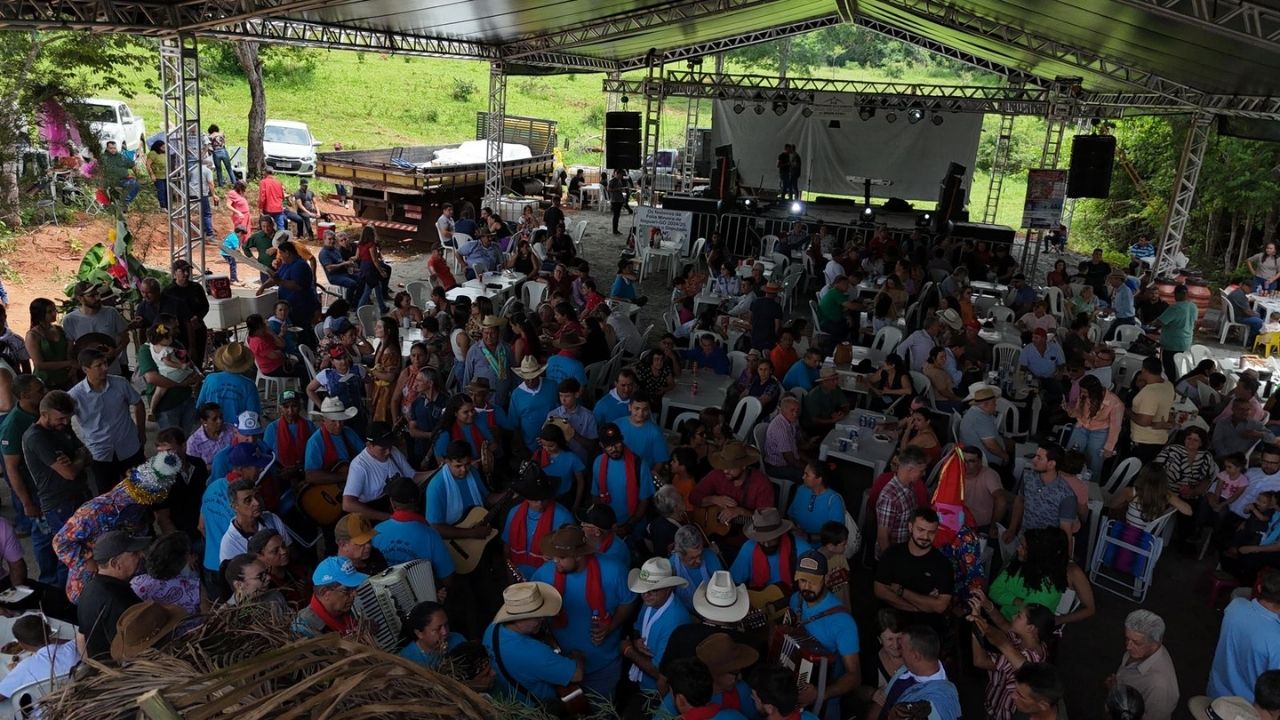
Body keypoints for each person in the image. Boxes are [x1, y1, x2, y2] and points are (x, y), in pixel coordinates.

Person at [530, 525, 637, 698]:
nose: (555, 561)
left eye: (562, 557)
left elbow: (628, 601)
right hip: (563, 666)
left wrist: (611, 626)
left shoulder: (614, 571)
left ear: (579, 555)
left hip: (604, 665)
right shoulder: (543, 575)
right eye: (554, 556)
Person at [22, 389, 92, 587]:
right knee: (69, 558)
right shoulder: (36, 437)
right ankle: (64, 602)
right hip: (60, 505)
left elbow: (87, 454)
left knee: (86, 550)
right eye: (60, 418)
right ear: (44, 414)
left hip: (78, 495)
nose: (66, 423)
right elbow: (69, 473)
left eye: (68, 418)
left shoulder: (62, 428)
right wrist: (78, 461)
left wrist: (75, 460)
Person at [483, 581, 585, 707]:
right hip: (539, 710)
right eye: (536, 616)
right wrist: (578, 656)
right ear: (518, 619)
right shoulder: (534, 653)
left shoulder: (492, 629)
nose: (543, 619)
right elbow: (576, 675)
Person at [786, 550, 863, 706]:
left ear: (826, 578)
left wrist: (820, 694)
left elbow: (854, 676)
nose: (806, 587)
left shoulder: (843, 622)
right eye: (802, 580)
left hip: (825, 688)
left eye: (813, 581)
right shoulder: (796, 599)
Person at [966, 596, 1052, 720]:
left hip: (1001, 713)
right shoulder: (1036, 644)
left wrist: (977, 625)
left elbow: (980, 661)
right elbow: (1003, 624)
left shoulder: (1025, 658)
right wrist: (987, 604)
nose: (1013, 616)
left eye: (1019, 616)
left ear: (1031, 628)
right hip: (997, 702)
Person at [873, 508, 954, 635]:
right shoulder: (892, 554)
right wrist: (919, 606)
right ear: (910, 527)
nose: (925, 537)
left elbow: (940, 606)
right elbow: (880, 590)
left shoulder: (943, 564)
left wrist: (901, 591)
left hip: (924, 631)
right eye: (921, 530)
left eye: (931, 532)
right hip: (891, 624)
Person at [1208, 571, 1280, 701]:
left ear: (1259, 588)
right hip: (1246, 708)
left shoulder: (1235, 606)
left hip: (1214, 692)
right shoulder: (1276, 640)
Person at [76, 530, 148, 659]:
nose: (141, 555)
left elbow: (82, 637)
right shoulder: (118, 599)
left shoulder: (90, 588)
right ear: (115, 564)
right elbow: (133, 651)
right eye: (135, 554)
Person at [622, 557, 690, 692]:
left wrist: (629, 651)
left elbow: (659, 672)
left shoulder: (675, 620)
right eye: (643, 589)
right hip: (643, 681)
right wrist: (636, 639)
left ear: (669, 589)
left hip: (658, 692)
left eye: (653, 589)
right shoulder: (652, 601)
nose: (646, 594)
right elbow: (637, 626)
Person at [868, 625, 961, 720]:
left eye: (901, 648)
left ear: (916, 656)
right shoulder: (905, 670)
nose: (897, 649)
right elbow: (881, 704)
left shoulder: (936, 704)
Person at [1100, 610, 1178, 720]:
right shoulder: (1141, 651)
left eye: (1137, 643)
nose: (1128, 647)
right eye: (1127, 639)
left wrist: (1115, 696)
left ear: (1156, 643)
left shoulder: (1159, 688)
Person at [373, 476, 455, 579]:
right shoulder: (431, 535)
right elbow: (447, 577)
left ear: (392, 503)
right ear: (418, 501)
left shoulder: (376, 531)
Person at [1003, 443, 1079, 545]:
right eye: (1035, 456)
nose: (1033, 460)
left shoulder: (1066, 495)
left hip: (1045, 547)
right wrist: (1012, 529)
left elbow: (1065, 532)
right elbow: (1020, 501)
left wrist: (1068, 559)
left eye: (1039, 458)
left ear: (1051, 464)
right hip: (1023, 540)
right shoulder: (1028, 477)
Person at [591, 423, 655, 537]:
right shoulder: (598, 462)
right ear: (601, 445)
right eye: (609, 445)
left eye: (617, 443)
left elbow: (644, 501)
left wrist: (629, 526)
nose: (614, 448)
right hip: (607, 526)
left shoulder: (640, 465)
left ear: (622, 439)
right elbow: (596, 495)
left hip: (632, 526)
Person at [0, 614, 79, 700]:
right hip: (83, 695)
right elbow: (75, 641)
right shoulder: (75, 646)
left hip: (48, 709)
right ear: (49, 630)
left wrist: (15, 672)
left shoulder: (25, 667)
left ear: (21, 643)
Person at [62, 281, 130, 376]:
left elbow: (125, 338)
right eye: (91, 296)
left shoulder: (111, 313)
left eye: (97, 294)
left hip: (112, 371)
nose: (97, 298)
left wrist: (115, 352)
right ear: (80, 298)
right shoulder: (70, 320)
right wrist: (75, 366)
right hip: (87, 374)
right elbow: (70, 349)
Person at [292, 556, 367, 637]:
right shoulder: (303, 628)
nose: (355, 594)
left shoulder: (347, 608)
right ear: (324, 592)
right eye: (347, 590)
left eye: (355, 588)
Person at [875, 447, 928, 557]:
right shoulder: (890, 497)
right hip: (893, 557)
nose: (924, 474)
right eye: (921, 470)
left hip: (904, 551)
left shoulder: (909, 486)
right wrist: (891, 564)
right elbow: (883, 536)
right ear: (910, 469)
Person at [1129, 356, 1175, 463]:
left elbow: (1144, 421)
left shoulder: (1150, 392)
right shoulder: (1168, 385)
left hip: (1143, 440)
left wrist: (1128, 412)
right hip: (1159, 439)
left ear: (1144, 370)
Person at [1148, 285, 1197, 381]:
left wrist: (1149, 324)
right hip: (1186, 341)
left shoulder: (1175, 308)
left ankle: (1171, 387)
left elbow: (1160, 322)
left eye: (1175, 294)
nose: (1174, 297)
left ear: (1179, 294)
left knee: (1170, 369)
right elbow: (1194, 323)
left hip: (1172, 343)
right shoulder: (1193, 306)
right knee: (1177, 367)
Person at [607, 169, 628, 235]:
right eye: (621, 175)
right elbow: (608, 189)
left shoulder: (619, 180)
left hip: (619, 199)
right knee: (616, 216)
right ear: (617, 174)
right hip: (615, 200)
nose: (621, 176)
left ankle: (616, 229)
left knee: (617, 215)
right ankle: (615, 230)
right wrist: (618, 189)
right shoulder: (612, 181)